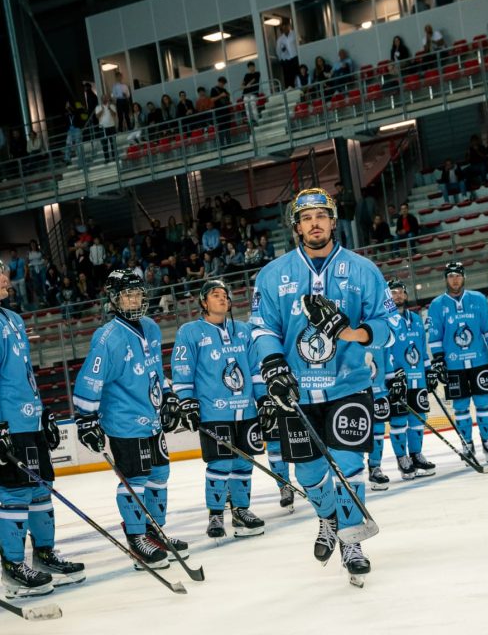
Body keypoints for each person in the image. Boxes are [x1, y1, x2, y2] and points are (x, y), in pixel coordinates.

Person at [249, 187, 396, 583]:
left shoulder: (363, 270)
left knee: (349, 466)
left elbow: (390, 327)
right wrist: (274, 365)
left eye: (321, 216)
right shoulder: (273, 275)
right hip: (297, 392)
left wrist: (350, 332)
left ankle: (351, 539)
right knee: (309, 475)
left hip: (348, 386)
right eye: (306, 218)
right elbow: (262, 328)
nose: (315, 223)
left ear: (333, 221)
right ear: (296, 227)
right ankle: (327, 515)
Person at [72, 269, 187, 568]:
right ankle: (137, 538)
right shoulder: (107, 337)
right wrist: (86, 419)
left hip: (151, 418)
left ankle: (154, 530)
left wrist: (169, 395)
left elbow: (154, 371)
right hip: (124, 421)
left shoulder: (150, 327)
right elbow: (89, 381)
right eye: (128, 294)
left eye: (138, 292)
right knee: (135, 480)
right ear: (114, 299)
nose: (135, 298)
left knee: (159, 476)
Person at [0, 260, 86, 597]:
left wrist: (42, 411)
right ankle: (11, 565)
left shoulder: (14, 319)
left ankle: (45, 554)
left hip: (28, 420)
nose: (5, 277)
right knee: (15, 492)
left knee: (40, 488)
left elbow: (23, 375)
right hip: (9, 424)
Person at [172, 279, 265, 538]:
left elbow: (256, 370)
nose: (223, 299)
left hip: (246, 411)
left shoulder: (244, 330)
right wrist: (186, 401)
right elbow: (182, 371)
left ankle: (241, 511)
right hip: (213, 411)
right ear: (204, 302)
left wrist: (264, 400)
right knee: (220, 464)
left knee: (244, 463)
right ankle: (215, 515)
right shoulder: (190, 332)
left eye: (226, 294)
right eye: (216, 295)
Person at [426, 261, 488, 463]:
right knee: (460, 407)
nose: (455, 279)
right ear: (446, 279)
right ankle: (467, 444)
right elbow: (435, 336)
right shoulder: (437, 305)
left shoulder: (478, 299)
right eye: (451, 276)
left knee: (484, 403)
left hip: (480, 361)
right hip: (454, 365)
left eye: (458, 275)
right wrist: (438, 360)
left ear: (464, 277)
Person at [367, 279, 435, 487]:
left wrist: (429, 370)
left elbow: (422, 349)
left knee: (418, 419)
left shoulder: (415, 319)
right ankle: (400, 459)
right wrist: (393, 376)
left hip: (417, 378)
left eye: (400, 292)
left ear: (406, 295)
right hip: (395, 380)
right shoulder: (385, 320)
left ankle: (416, 455)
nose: (397, 295)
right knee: (397, 422)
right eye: (392, 292)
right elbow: (386, 351)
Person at [276, 20, 299, 90]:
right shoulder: (280, 39)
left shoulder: (294, 34)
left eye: (286, 27)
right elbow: (278, 50)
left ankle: (298, 88)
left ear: (289, 26)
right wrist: (280, 60)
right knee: (288, 77)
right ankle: (289, 91)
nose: (285, 29)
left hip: (295, 57)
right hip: (286, 60)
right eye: (284, 28)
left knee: (297, 74)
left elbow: (299, 42)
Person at [94, 94, 117, 163]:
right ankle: (107, 159)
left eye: (106, 98)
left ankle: (114, 157)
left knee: (113, 143)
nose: (105, 99)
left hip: (111, 127)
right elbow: (97, 116)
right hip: (102, 128)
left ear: (107, 99)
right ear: (101, 100)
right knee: (104, 144)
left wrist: (109, 108)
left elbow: (114, 115)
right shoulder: (98, 107)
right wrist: (102, 110)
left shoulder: (112, 106)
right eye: (103, 98)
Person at [333, 181, 356, 249]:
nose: (338, 189)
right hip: (338, 218)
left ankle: (350, 249)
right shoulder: (337, 196)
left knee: (348, 234)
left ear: (342, 187)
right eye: (336, 188)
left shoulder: (348, 194)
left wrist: (345, 203)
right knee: (338, 235)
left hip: (346, 217)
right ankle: (340, 249)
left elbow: (354, 203)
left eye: (338, 187)